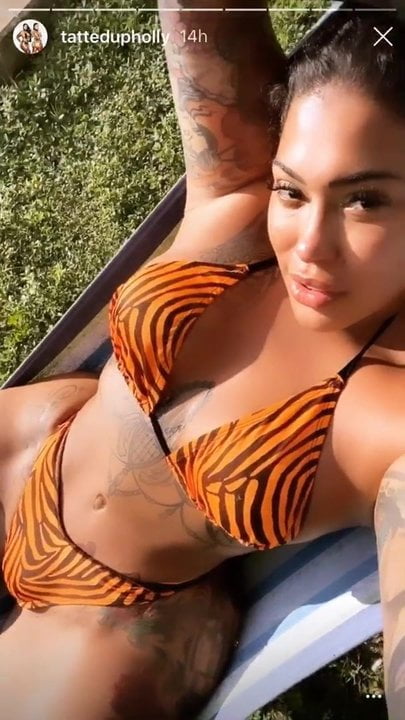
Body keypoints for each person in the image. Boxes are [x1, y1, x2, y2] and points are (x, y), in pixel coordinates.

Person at [1, 2, 404, 719]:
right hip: (32, 445)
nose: (307, 244)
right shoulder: (239, 196)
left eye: (365, 201)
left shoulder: (385, 413)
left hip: (113, 615)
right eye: (292, 189)